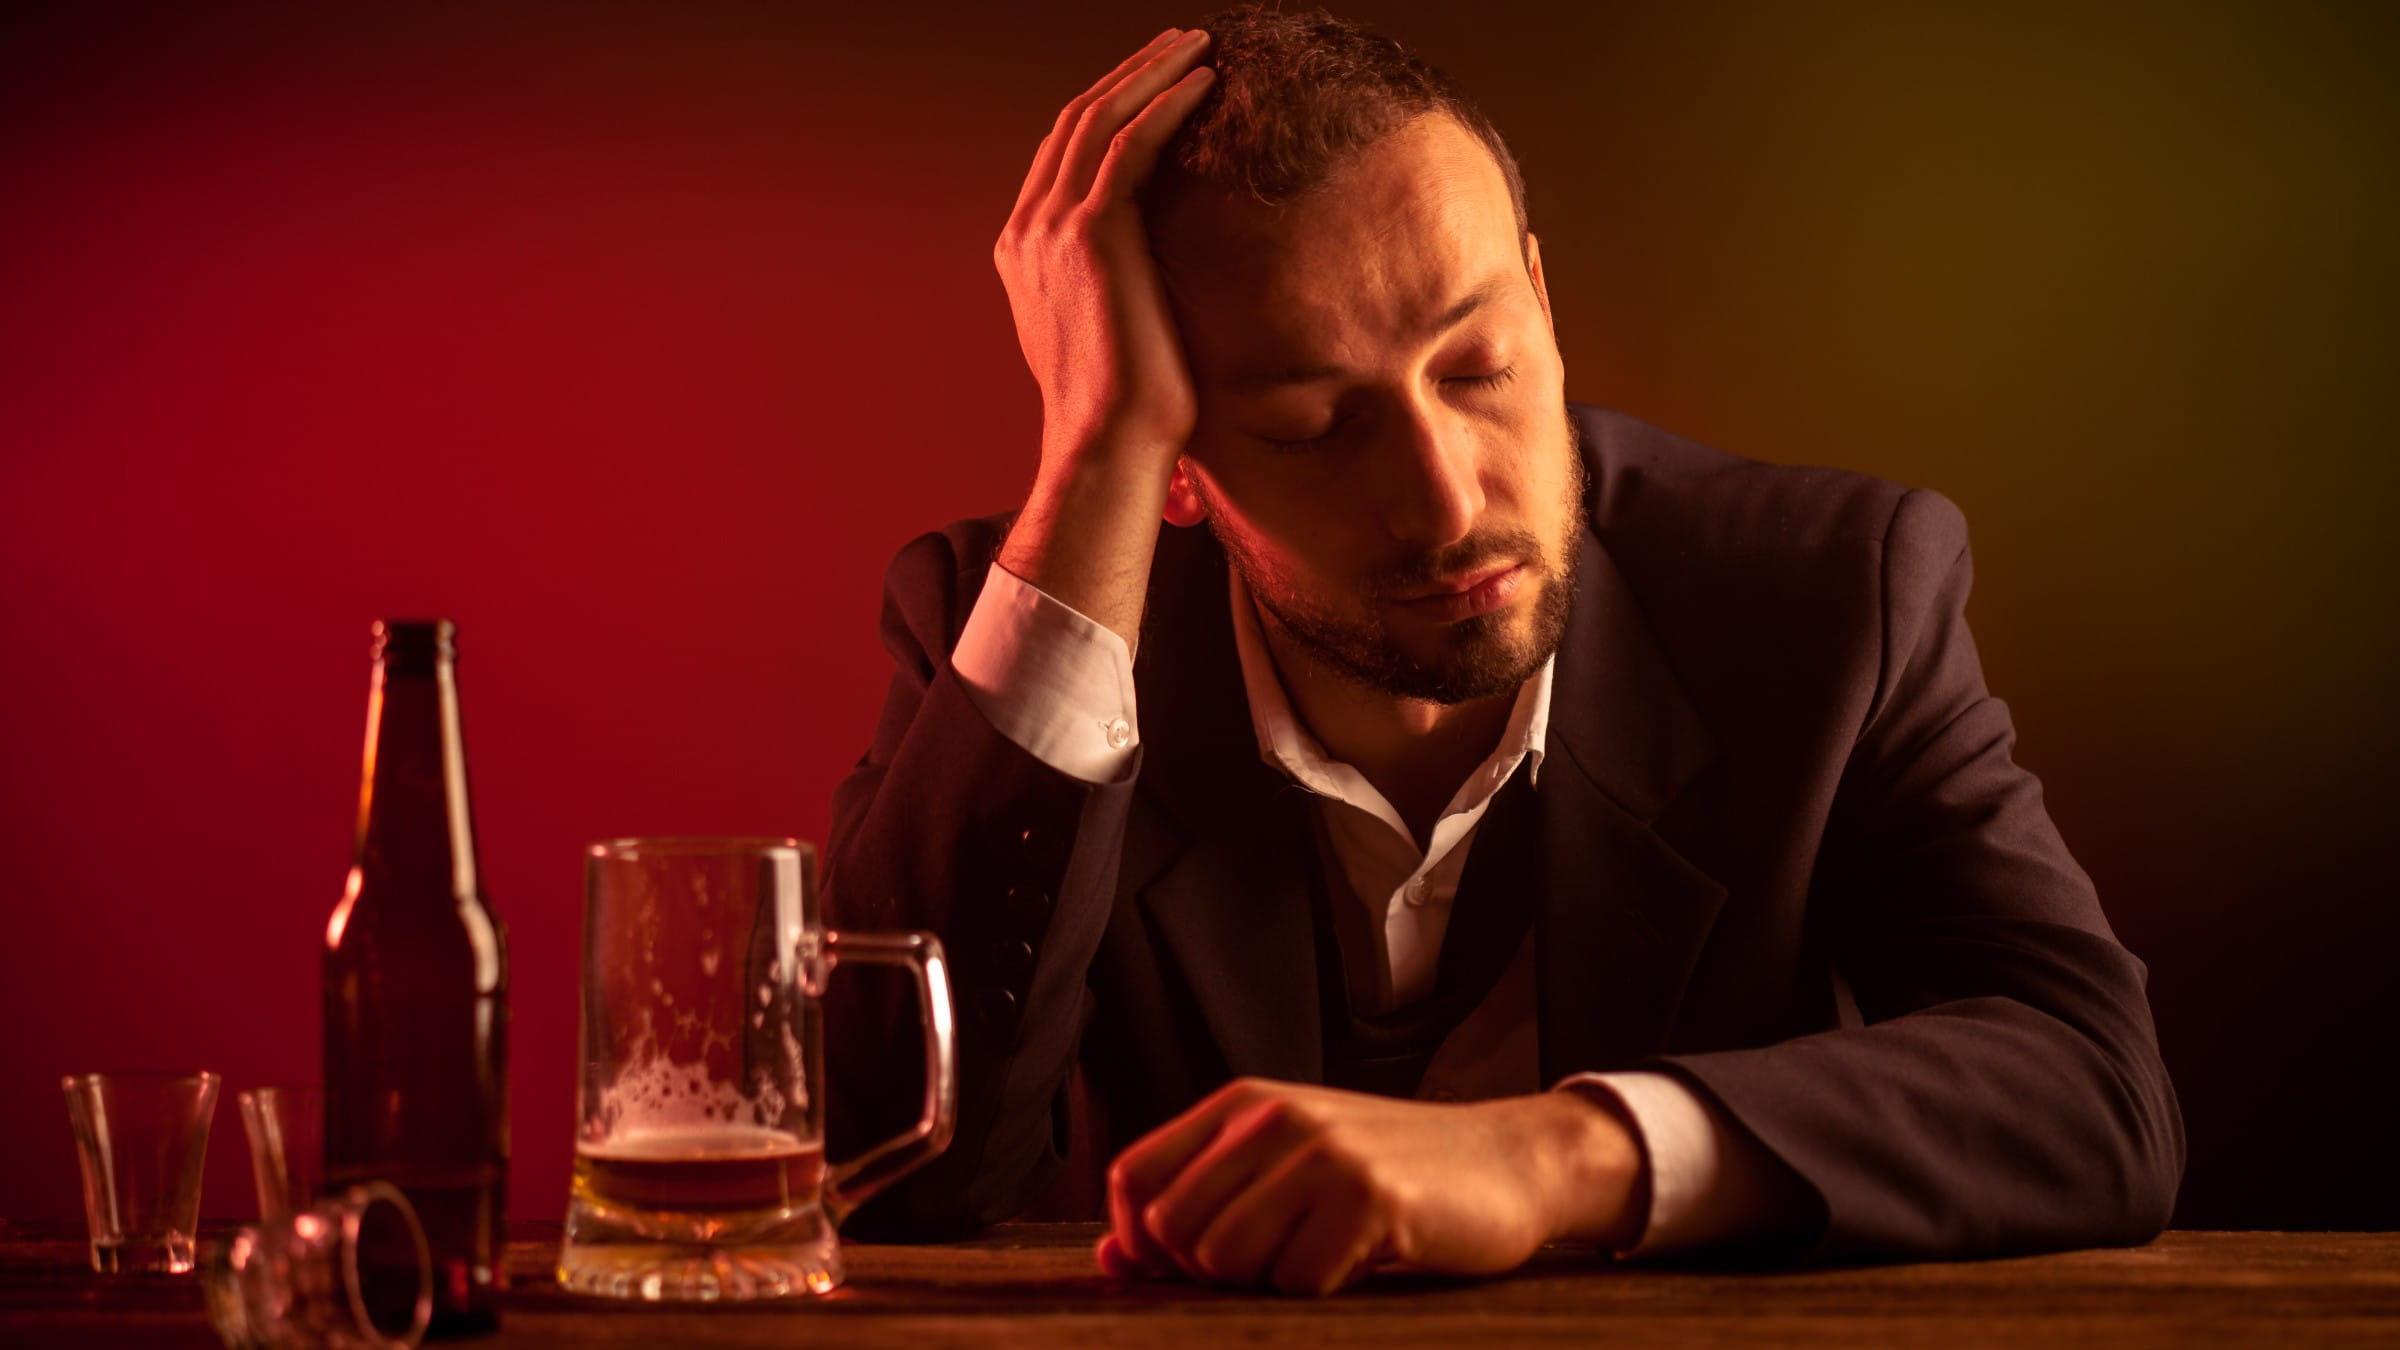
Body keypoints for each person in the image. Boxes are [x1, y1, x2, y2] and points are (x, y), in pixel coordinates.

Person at [822, 6, 2183, 1294]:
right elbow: (886, 1163)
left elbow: (2094, 1089)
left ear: (1541, 292)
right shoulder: (1012, 618)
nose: (1446, 498)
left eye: (1477, 367)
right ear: (1178, 457)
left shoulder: (1827, 597)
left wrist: (1558, 1153)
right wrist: (1093, 453)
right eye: (1310, 424)